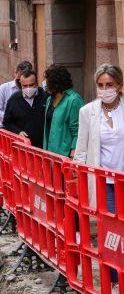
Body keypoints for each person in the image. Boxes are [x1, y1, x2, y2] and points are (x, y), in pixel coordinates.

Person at [74, 64, 123, 286]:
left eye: (109, 85)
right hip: (105, 183)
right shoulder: (87, 112)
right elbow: (81, 150)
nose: (104, 90)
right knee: (112, 230)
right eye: (100, 85)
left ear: (119, 86)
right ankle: (115, 278)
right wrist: (77, 177)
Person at [43, 64, 84, 157]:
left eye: (47, 80)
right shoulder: (50, 99)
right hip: (49, 155)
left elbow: (78, 131)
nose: (45, 83)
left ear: (55, 81)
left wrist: (73, 155)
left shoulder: (73, 100)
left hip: (65, 157)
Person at [3, 69, 46, 148]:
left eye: (31, 85)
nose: (28, 88)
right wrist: (18, 131)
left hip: (43, 147)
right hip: (23, 148)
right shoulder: (14, 99)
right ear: (20, 84)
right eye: (25, 86)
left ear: (36, 82)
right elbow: (7, 122)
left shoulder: (45, 97)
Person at [0, 61, 33, 127]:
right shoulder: (4, 88)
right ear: (15, 73)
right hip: (7, 130)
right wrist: (9, 119)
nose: (20, 82)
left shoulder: (33, 90)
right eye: (19, 79)